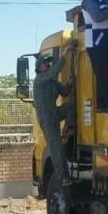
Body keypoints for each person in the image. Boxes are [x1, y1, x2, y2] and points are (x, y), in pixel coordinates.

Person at [33, 39, 77, 186]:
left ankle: (69, 129)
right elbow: (54, 72)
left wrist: (70, 83)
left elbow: (64, 92)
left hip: (54, 113)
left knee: (71, 106)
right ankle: (63, 176)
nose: (49, 64)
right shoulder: (39, 80)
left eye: (49, 62)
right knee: (56, 148)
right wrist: (65, 53)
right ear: (39, 67)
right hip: (46, 118)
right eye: (46, 63)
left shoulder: (52, 82)